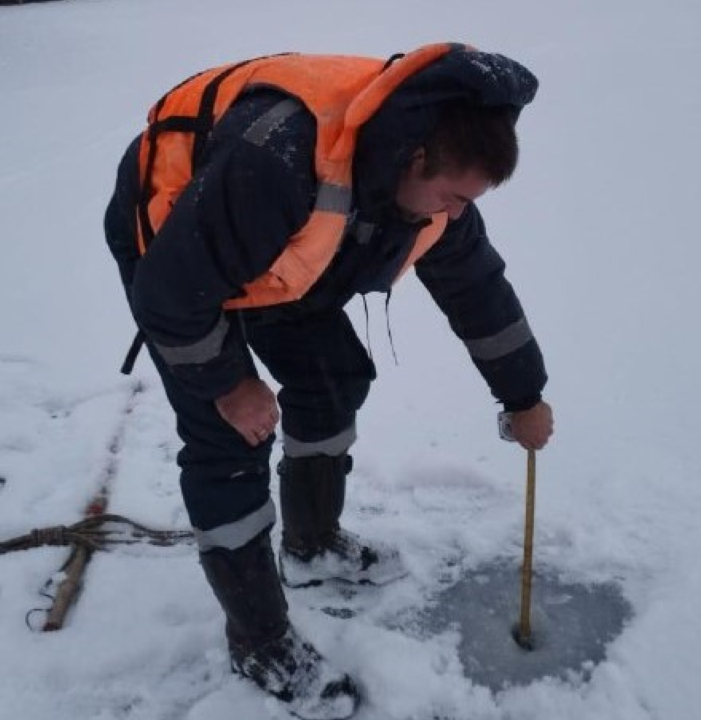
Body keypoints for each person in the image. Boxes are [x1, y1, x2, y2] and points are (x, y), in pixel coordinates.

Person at [103, 42, 553, 720]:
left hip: (280, 254)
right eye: (454, 196)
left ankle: (311, 545)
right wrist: (230, 383)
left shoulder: (426, 192)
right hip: (179, 249)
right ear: (416, 156)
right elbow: (170, 295)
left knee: (333, 378)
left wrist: (524, 394)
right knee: (231, 442)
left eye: (471, 202)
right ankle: (259, 640)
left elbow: (478, 291)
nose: (458, 213)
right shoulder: (279, 161)